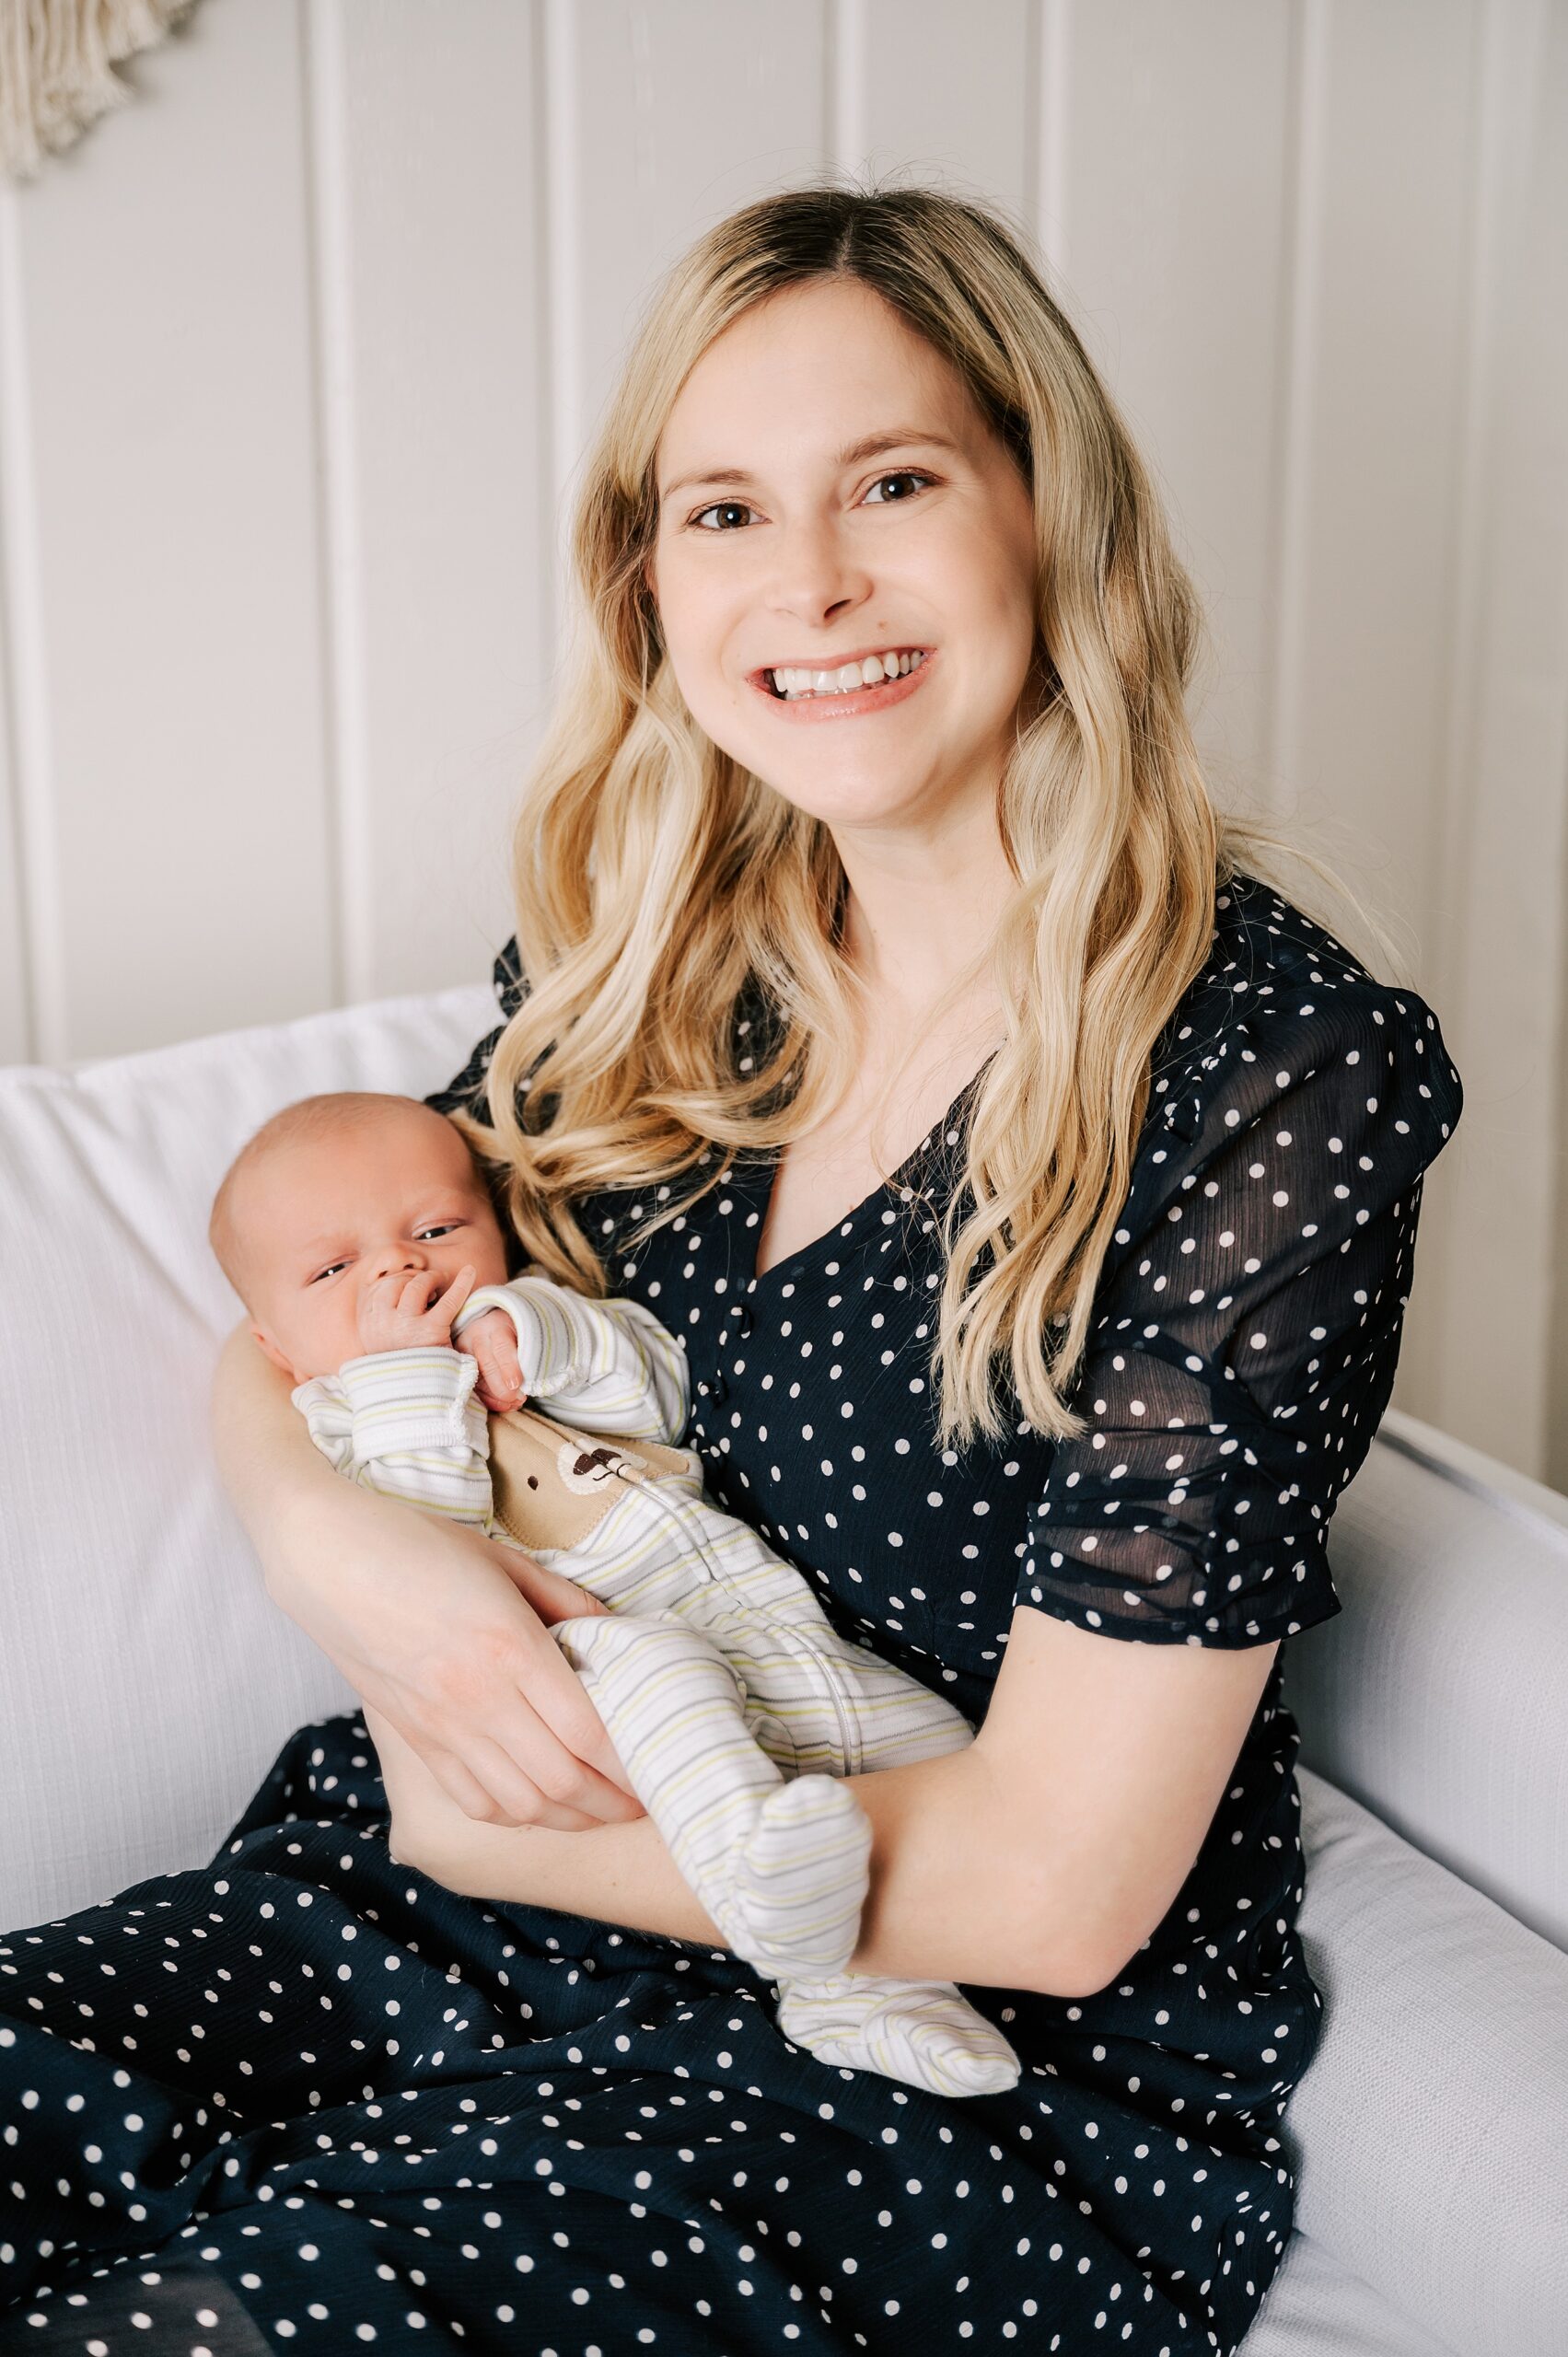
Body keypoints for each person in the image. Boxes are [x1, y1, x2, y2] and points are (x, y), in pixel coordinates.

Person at [0, 179, 1464, 2356]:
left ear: (1046, 512)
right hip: (427, 1896)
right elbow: (308, 1302)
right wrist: (353, 1563)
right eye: (722, 512)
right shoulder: (650, 971)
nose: (813, 583)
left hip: (925, 2046)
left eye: (893, 480)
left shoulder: (1270, 1067)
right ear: (649, 580)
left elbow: (1053, 1890)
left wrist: (479, 1820)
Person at [206, 1086, 1022, 2096]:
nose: (397, 1265)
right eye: (334, 1270)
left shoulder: (540, 1317)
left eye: (434, 1228)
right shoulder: (342, 1419)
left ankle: (870, 1991)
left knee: (929, 1741)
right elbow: (429, 1522)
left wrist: (533, 1332)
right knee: (667, 1677)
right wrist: (406, 1376)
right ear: (276, 1349)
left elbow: (658, 1391)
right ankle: (804, 1945)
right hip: (589, 1644)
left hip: (755, 1615)